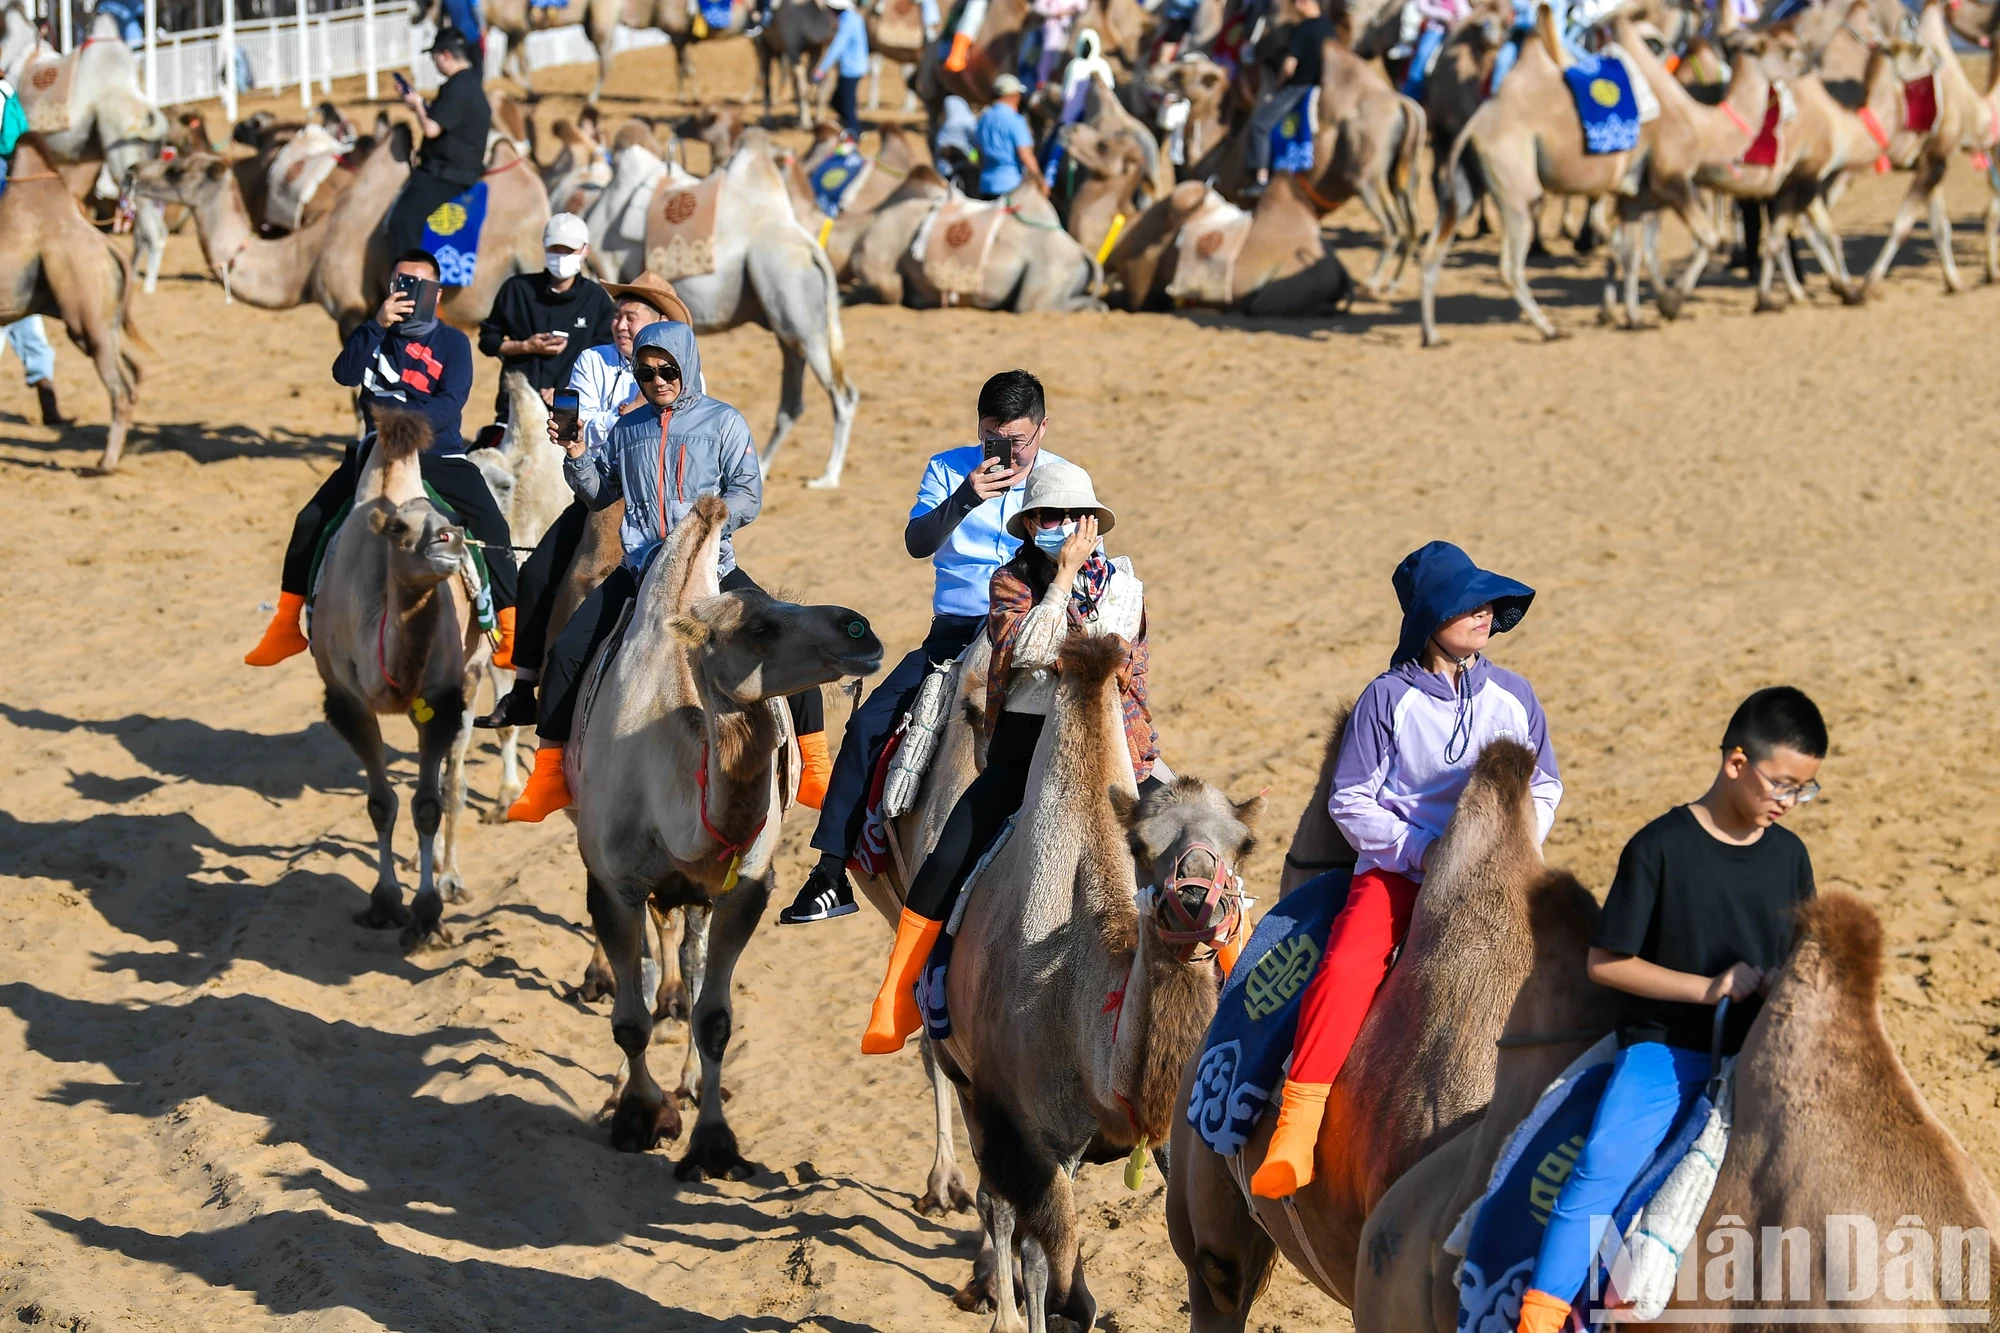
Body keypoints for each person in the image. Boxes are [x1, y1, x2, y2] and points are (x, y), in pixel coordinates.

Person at [1251, 540, 1561, 1198]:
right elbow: (1351, 799)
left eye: (1487, 604)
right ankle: (1297, 1127)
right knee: (1344, 967)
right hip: (1401, 872)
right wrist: (1425, 851)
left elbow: (1547, 786)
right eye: (1466, 604)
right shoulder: (1385, 700)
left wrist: (1508, 846)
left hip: (1499, 871)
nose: (1483, 614)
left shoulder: (1514, 694)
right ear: (1428, 619)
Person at [1514, 688, 1825, 1333]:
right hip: (1668, 1051)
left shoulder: (1791, 857)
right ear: (1737, 762)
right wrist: (1710, 988)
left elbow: (1802, 955)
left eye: (1803, 791)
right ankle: (1539, 1319)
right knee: (1601, 1162)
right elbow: (1608, 963)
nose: (1788, 803)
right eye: (1782, 784)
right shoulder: (1658, 847)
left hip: (1761, 1056)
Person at [860, 460, 1157, 1053]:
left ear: (1095, 524)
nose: (1064, 527)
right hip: (1023, 745)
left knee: (1194, 835)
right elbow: (1031, 650)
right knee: (948, 852)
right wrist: (1061, 584)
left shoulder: (1126, 586)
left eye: (1076, 517)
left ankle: (1223, 973)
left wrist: (1074, 632)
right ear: (1029, 527)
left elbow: (1111, 656)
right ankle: (902, 991)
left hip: (1114, 748)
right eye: (1050, 518)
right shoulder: (1009, 584)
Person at [777, 369, 1069, 926]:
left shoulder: (1066, 479)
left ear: (1043, 428)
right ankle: (830, 872)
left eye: (1020, 440)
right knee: (866, 727)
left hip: (1036, 629)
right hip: (956, 631)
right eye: (995, 438)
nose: (1008, 451)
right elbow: (918, 543)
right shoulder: (948, 467)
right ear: (979, 428)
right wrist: (963, 498)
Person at [505, 320, 825, 821]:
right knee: (567, 650)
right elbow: (600, 495)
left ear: (687, 365)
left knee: (788, 635)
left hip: (710, 569)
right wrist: (575, 454)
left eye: (667, 370)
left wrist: (710, 517)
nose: (657, 381)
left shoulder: (724, 421)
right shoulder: (626, 429)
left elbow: (749, 494)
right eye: (646, 372)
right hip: (641, 572)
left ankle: (815, 765)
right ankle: (547, 775)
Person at [243, 249, 520, 670]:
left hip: (436, 452)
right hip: (374, 452)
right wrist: (376, 325)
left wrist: (405, 429)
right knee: (310, 519)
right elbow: (344, 374)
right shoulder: (372, 333)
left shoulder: (451, 342)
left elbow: (451, 401)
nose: (406, 291)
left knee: (491, 522)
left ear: (437, 293)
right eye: (399, 283)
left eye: (417, 284)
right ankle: (285, 625)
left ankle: (510, 630)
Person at [476, 271, 691, 731]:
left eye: (631, 315)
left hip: (666, 499)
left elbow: (684, 431)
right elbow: (580, 426)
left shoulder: (684, 368)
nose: (620, 323)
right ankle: (522, 688)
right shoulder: (593, 359)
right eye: (616, 315)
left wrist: (615, 421)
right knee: (535, 575)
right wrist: (627, 418)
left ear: (656, 322)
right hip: (602, 489)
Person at [476, 212, 614, 427]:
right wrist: (525, 346)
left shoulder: (596, 299)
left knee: (566, 456)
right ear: (544, 247)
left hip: (569, 403)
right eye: (555, 249)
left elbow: (604, 357)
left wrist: (569, 390)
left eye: (569, 250)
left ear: (585, 250)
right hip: (517, 400)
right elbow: (488, 340)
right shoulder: (517, 290)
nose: (561, 256)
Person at [384, 28, 491, 258]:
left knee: (402, 223)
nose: (434, 63)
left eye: (434, 58)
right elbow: (445, 119)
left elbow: (431, 129)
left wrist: (417, 106)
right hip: (455, 171)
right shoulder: (468, 84)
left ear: (446, 55)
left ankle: (410, 286)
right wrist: (420, 103)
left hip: (447, 176)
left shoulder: (458, 87)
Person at [1246, 0, 1332, 197]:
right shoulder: (1329, 27)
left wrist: (1279, 83)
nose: (1294, 8)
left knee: (1259, 124)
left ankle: (1261, 178)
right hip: (1320, 88)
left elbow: (1289, 65)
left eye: (1295, 3)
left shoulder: (1302, 29)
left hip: (1298, 88)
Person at [973, 74, 1044, 199]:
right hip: (1011, 185)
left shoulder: (984, 118)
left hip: (985, 185)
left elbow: (978, 151)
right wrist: (1040, 181)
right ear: (1014, 96)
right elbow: (1025, 154)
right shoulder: (1015, 119)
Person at [812, 0, 871, 142]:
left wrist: (821, 70)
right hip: (856, 66)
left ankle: (854, 135)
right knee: (838, 101)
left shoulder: (847, 23)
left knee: (847, 105)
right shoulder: (855, 17)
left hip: (850, 69)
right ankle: (854, 129)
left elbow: (836, 48)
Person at [3, 318, 71, 428]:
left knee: (38, 350)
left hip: (23, 309)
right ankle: (50, 413)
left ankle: (50, 412)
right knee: (37, 349)